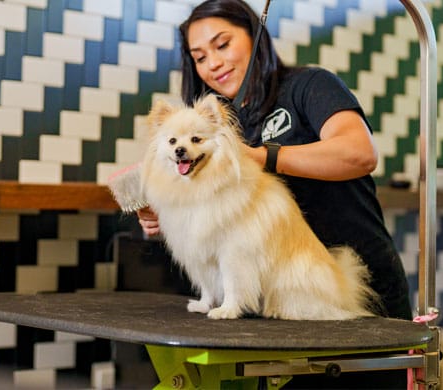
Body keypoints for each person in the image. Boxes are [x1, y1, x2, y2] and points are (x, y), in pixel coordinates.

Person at [138, 0, 412, 387]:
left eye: (222, 44)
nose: (212, 63)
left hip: (343, 291)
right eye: (199, 56)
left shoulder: (308, 86)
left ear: (255, 37)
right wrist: (172, 215)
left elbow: (359, 153)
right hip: (272, 311)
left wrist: (262, 156)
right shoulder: (220, 122)